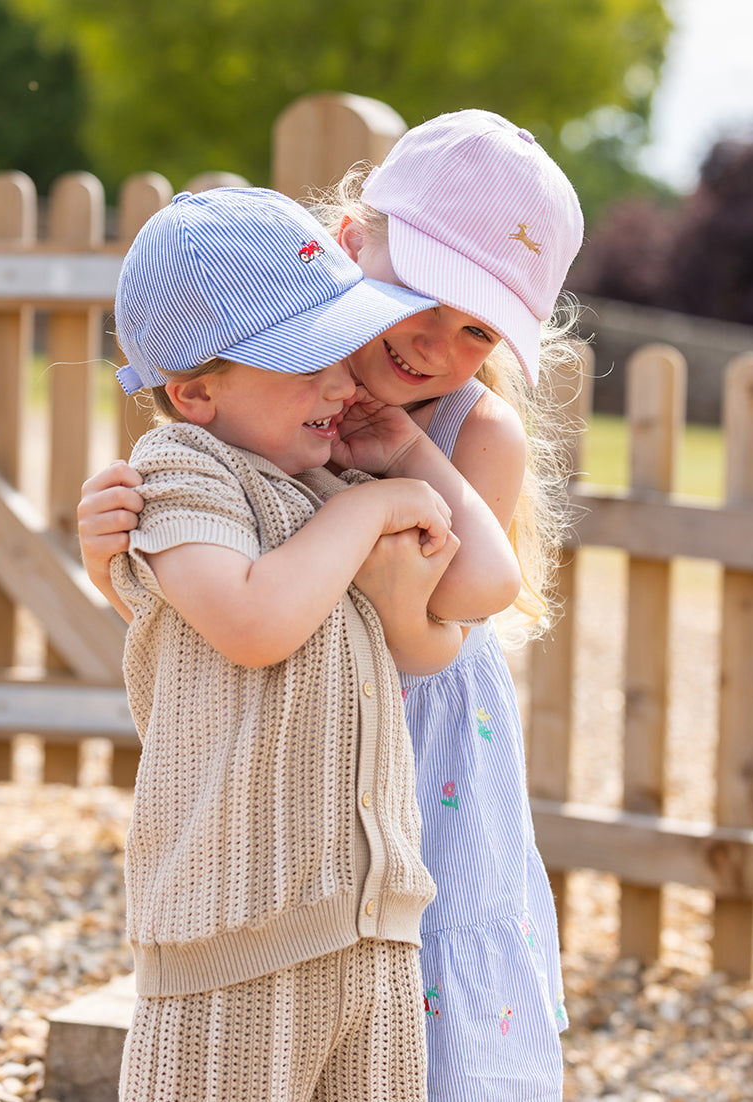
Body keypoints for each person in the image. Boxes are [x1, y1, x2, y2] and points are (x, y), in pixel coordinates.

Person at [81, 111, 584, 1102]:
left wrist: (406, 454)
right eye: (424, 301)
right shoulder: (264, 369)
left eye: (478, 329)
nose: (440, 345)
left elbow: (467, 599)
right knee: (304, 957)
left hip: (423, 728)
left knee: (434, 938)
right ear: (353, 242)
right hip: (297, 729)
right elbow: (213, 574)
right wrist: (113, 560)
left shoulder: (466, 425)